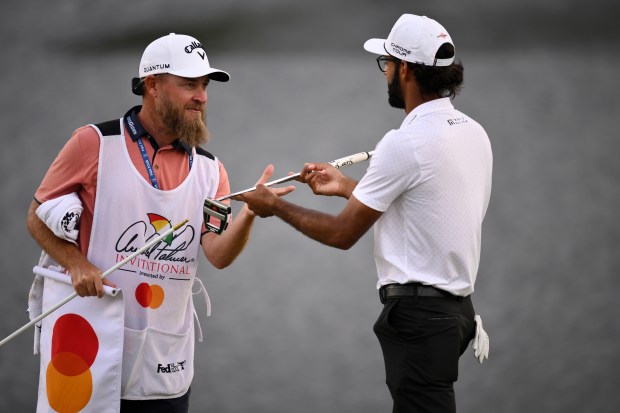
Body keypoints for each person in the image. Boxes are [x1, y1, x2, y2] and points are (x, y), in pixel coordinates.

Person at [235, 14, 492, 413]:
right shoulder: (474, 132)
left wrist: (275, 206)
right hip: (456, 315)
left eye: (386, 63)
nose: (385, 72)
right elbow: (427, 207)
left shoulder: (403, 142)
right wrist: (346, 187)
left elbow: (342, 235)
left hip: (420, 319)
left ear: (405, 69)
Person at [26, 33, 293, 412]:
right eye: (188, 84)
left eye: (204, 85)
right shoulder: (94, 143)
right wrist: (76, 263)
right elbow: (37, 214)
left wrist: (249, 213)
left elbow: (217, 253)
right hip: (87, 353)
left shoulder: (211, 170)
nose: (201, 96)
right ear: (152, 85)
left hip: (165, 364)